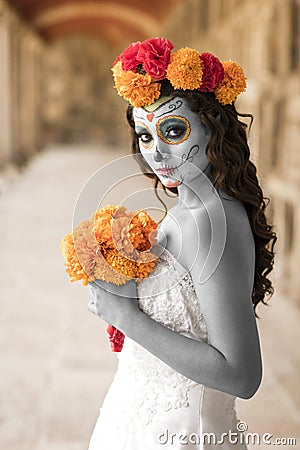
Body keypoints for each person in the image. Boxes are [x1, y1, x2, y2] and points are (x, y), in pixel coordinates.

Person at [87, 38, 277, 449]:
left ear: (213, 125)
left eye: (174, 131)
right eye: (145, 136)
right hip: (145, 414)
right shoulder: (196, 206)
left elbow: (242, 376)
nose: (157, 153)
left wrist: (126, 315)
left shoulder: (208, 221)